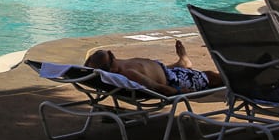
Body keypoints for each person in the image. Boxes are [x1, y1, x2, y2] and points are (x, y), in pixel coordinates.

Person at [83, 39, 222, 97]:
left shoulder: (118, 68)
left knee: (202, 73)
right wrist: (179, 91)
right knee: (211, 76)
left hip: (169, 72)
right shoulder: (129, 73)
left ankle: (182, 64)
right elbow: (156, 87)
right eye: (111, 56)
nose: (113, 55)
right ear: (111, 68)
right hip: (175, 80)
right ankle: (183, 65)